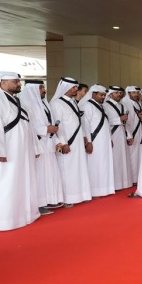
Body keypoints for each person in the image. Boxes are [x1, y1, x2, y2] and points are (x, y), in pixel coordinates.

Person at [0, 71, 39, 231]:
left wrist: (35, 147)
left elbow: (28, 125)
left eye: (18, 81)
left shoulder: (16, 101)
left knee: (17, 184)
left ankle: (21, 216)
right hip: (0, 152)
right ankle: (1, 221)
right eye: (15, 81)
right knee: (2, 185)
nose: (19, 84)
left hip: (18, 151)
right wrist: (0, 152)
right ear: (2, 82)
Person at [20, 80, 63, 215]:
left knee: (48, 174)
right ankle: (37, 205)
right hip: (36, 144)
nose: (44, 90)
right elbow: (27, 127)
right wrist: (45, 129)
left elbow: (50, 123)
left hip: (48, 143)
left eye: (44, 87)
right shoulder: (26, 105)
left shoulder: (44, 104)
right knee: (38, 176)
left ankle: (49, 200)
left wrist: (57, 141)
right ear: (32, 89)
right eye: (41, 88)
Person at [50, 77, 92, 206]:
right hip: (67, 142)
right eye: (74, 87)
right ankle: (67, 198)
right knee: (67, 170)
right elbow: (57, 125)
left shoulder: (73, 102)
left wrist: (83, 136)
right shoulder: (56, 104)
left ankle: (79, 195)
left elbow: (77, 122)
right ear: (66, 88)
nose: (76, 90)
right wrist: (62, 143)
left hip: (77, 141)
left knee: (78, 169)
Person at [82, 85, 115, 198]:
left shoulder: (101, 106)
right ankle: (94, 191)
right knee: (95, 165)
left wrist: (110, 139)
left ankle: (104, 189)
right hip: (95, 141)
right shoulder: (87, 106)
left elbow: (106, 124)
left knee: (104, 164)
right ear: (93, 94)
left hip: (104, 141)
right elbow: (85, 125)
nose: (103, 97)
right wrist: (89, 142)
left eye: (104, 95)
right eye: (101, 95)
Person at [104, 86, 131, 191]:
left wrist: (129, 135)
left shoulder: (122, 105)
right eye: (116, 93)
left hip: (122, 134)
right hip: (113, 135)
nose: (119, 95)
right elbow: (105, 121)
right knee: (115, 159)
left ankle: (124, 182)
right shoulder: (105, 106)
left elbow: (126, 123)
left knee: (123, 158)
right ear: (110, 94)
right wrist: (118, 119)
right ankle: (115, 184)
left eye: (120, 93)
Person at [122, 86, 142, 181]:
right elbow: (126, 121)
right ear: (128, 93)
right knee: (132, 156)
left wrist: (141, 117)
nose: (136, 95)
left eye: (137, 93)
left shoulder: (138, 103)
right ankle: (132, 178)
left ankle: (138, 178)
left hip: (139, 132)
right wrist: (129, 135)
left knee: (139, 155)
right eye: (133, 93)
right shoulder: (125, 103)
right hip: (131, 133)